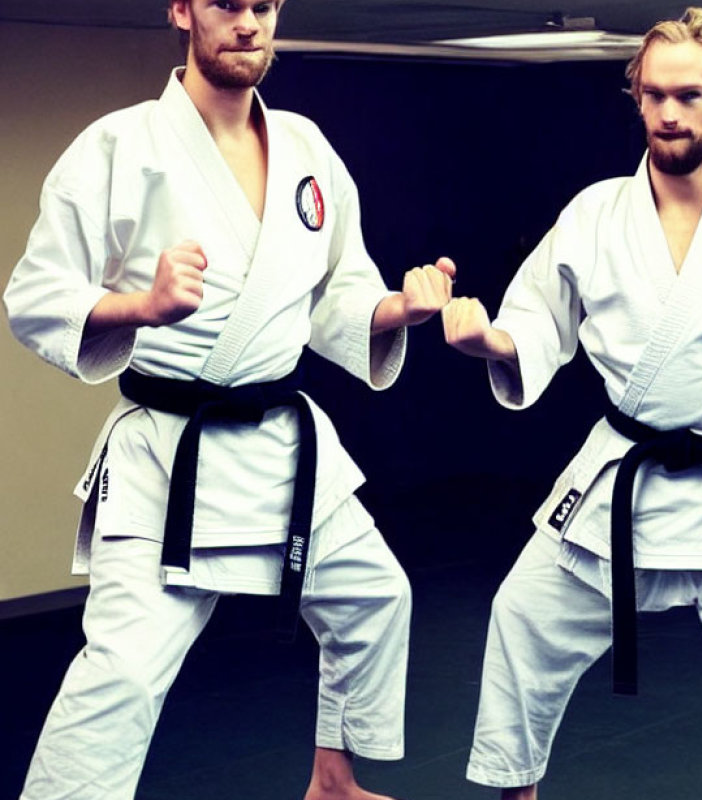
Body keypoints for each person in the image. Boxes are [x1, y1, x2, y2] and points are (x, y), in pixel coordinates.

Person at [3, 2, 455, 799]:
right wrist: (139, 308)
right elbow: (34, 297)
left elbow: (335, 295)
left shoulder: (307, 148)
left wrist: (398, 310)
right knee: (120, 676)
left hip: (282, 447)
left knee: (377, 598)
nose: (248, 23)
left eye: (264, 6)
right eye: (226, 4)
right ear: (181, 10)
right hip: (167, 458)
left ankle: (333, 782)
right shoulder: (118, 146)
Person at [442, 7, 702, 799]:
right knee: (520, 622)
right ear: (637, 98)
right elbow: (535, 320)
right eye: (655, 94)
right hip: (622, 479)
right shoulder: (596, 214)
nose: (671, 112)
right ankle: (515, 791)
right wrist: (489, 343)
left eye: (690, 96)